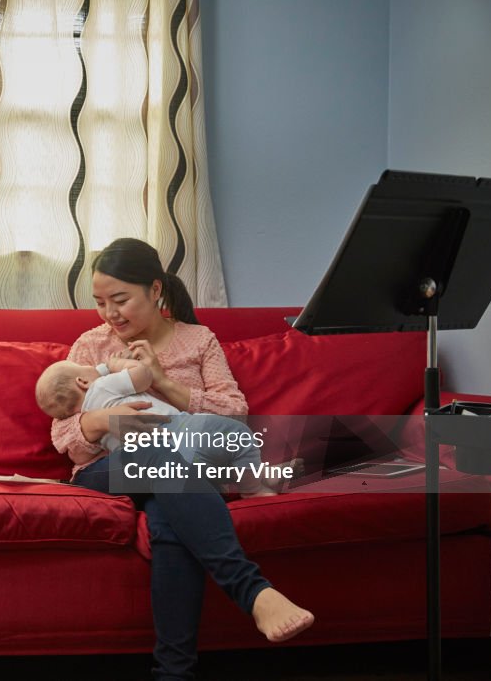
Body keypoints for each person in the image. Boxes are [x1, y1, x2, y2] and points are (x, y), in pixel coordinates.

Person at [50, 237, 314, 680]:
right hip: (105, 473)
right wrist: (101, 421)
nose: (109, 315)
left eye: (120, 300)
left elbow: (234, 412)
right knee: (152, 452)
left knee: (168, 519)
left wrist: (162, 383)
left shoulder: (198, 340)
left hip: (180, 474)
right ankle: (254, 593)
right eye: (99, 303)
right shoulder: (90, 346)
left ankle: (174, 673)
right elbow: (65, 439)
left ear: (155, 290)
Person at [35, 356, 297, 497]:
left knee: (203, 476)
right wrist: (117, 365)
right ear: (82, 381)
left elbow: (78, 448)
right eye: (87, 366)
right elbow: (142, 376)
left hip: (163, 464)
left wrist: (97, 424)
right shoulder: (102, 385)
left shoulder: (95, 428)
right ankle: (253, 485)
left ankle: (257, 478)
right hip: (181, 430)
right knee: (239, 435)